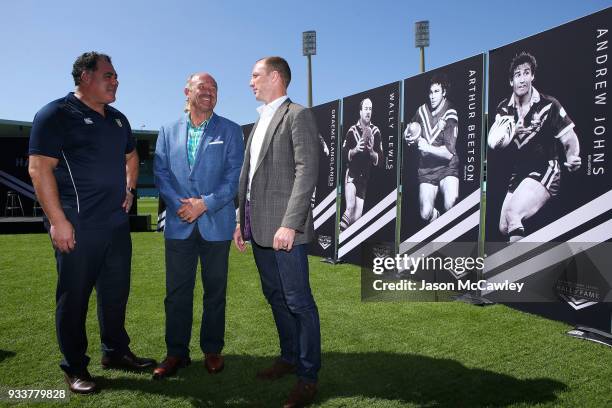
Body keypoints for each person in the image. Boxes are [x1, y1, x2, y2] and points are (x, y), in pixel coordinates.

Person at [28, 52, 155, 394]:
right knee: (75, 298)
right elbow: (39, 169)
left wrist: (130, 188)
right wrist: (58, 221)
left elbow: (132, 155)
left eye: (116, 77)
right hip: (78, 225)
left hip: (115, 225)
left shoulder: (118, 120)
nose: (116, 81)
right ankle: (74, 367)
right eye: (109, 75)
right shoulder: (55, 114)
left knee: (115, 295)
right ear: (85, 76)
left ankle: (115, 352)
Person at [233, 56, 321, 408]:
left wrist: (290, 222)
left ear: (275, 76)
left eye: (255, 75)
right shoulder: (258, 122)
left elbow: (306, 171)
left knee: (298, 301)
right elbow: (250, 179)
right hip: (257, 226)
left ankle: (308, 376)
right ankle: (288, 357)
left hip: (286, 229)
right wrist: (242, 220)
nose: (250, 82)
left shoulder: (297, 114)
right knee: (275, 296)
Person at [152, 73, 244, 379]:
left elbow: (233, 179)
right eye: (202, 87)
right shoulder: (166, 130)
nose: (208, 92)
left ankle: (212, 349)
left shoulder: (230, 130)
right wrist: (182, 205)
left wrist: (203, 204)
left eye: (214, 88)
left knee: (215, 292)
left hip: (216, 223)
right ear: (187, 91)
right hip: (179, 223)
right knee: (177, 292)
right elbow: (161, 173)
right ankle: (176, 352)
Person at [487, 51, 581, 242]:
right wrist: (513, 132)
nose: (522, 79)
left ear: (533, 76)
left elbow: (570, 138)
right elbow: (496, 143)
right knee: (504, 227)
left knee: (513, 214)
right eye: (517, 74)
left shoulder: (549, 105)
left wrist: (572, 156)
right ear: (511, 81)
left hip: (545, 167)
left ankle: (516, 270)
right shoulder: (503, 108)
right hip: (520, 172)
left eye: (526, 73)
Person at [403, 74, 459, 223]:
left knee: (451, 203)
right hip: (427, 169)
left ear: (444, 92)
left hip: (447, 167)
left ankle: (446, 239)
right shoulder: (421, 111)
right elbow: (409, 129)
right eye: (431, 92)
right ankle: (437, 219)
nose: (432, 96)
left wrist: (427, 147)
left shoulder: (450, 113)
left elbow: (448, 153)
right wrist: (407, 136)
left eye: (436, 92)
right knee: (425, 214)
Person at [340, 98, 383, 231]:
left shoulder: (376, 132)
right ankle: (338, 238)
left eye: (370, 109)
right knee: (350, 207)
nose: (368, 112)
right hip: (352, 174)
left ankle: (345, 242)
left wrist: (371, 152)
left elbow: (381, 159)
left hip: (364, 179)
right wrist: (355, 150)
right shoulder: (352, 131)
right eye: (365, 109)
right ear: (360, 111)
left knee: (356, 219)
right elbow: (343, 153)